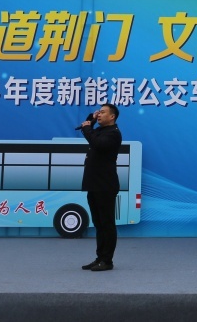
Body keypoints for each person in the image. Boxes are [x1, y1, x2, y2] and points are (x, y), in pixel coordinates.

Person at [79, 103, 123, 272]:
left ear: (112, 117)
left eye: (103, 112)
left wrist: (87, 128)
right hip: (94, 184)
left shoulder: (113, 133)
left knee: (107, 223)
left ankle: (107, 260)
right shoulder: (100, 131)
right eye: (99, 112)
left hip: (105, 185)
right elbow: (91, 133)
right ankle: (99, 258)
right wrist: (90, 120)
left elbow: (97, 143)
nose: (99, 114)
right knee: (98, 223)